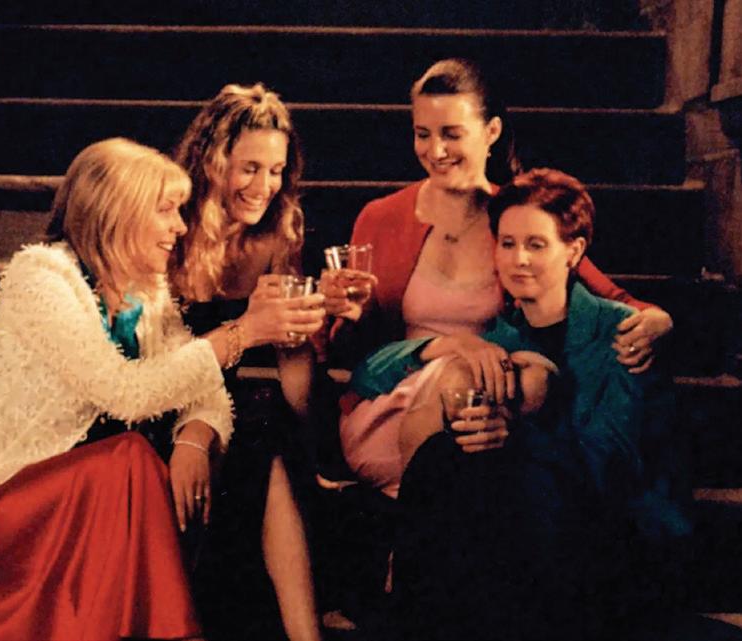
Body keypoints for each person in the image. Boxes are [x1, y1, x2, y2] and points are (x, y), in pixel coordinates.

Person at [0, 138, 317, 641]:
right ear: (119, 213)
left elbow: (201, 387)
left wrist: (193, 438)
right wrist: (242, 333)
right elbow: (124, 393)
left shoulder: (143, 289)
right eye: (165, 211)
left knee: (220, 435)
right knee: (130, 457)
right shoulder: (41, 278)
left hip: (71, 499)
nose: (180, 227)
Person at [353, 168, 693, 639]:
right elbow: (368, 374)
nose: (519, 260)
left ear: (573, 251)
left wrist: (514, 432)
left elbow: (613, 464)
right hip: (528, 535)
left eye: (536, 244)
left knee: (487, 478)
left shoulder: (622, 332)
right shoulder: (501, 337)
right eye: (507, 244)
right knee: (441, 457)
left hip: (620, 536)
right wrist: (448, 345)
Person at [325, 58, 674, 500]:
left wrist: (659, 320)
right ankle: (419, 523)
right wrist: (349, 315)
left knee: (524, 391)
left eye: (451, 134)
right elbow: (349, 353)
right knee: (467, 395)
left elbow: (612, 298)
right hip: (390, 406)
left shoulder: (517, 218)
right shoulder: (380, 218)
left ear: (491, 132)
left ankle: (418, 526)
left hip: (488, 411)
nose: (435, 151)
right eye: (422, 134)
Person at [172, 83, 325, 641]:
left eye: (276, 170)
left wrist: (300, 337)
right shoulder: (170, 227)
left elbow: (299, 394)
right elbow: (157, 362)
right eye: (250, 168)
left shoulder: (279, 232)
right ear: (212, 163)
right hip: (165, 398)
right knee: (257, 424)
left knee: (268, 420)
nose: (265, 186)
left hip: (241, 409)